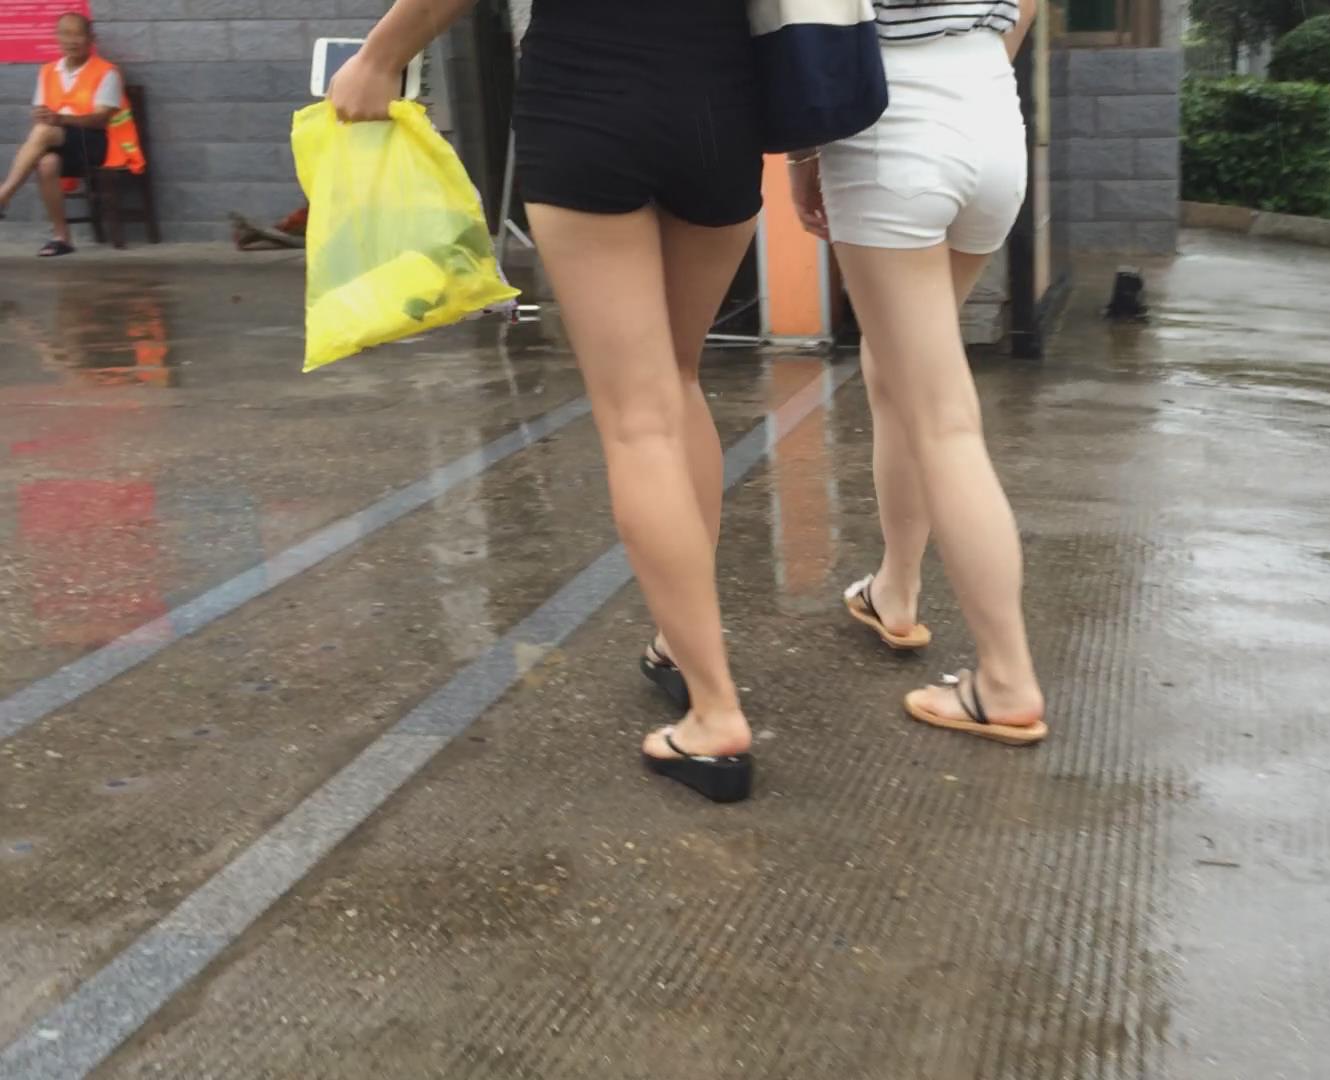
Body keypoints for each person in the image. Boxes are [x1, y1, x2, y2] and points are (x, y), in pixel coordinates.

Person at [330, 0, 765, 801]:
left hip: (589, 93)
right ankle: (681, 644)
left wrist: (379, 57)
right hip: (722, 99)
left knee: (637, 423)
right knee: (676, 379)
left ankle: (714, 713)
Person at [788, 0, 1048, 745]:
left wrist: (803, 157)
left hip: (889, 122)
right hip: (991, 108)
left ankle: (1005, 679)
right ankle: (894, 590)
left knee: (943, 418)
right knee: (898, 369)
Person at [0, 12, 145, 257]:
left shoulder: (106, 72)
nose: (71, 40)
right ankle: (62, 238)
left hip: (98, 143)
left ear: (91, 38)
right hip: (60, 142)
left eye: (78, 34)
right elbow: (41, 114)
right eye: (65, 34)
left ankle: (4, 194)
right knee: (46, 162)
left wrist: (59, 120)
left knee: (44, 132)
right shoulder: (48, 71)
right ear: (56, 38)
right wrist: (44, 118)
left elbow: (100, 119)